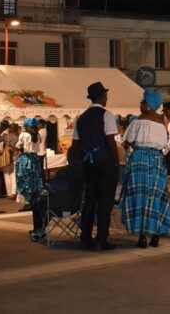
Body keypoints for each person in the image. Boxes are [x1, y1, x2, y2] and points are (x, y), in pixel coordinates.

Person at [119, 90, 170, 248]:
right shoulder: (160, 122)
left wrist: (135, 145)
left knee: (140, 197)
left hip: (140, 161)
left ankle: (142, 236)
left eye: (143, 102)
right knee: (155, 196)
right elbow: (163, 144)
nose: (140, 104)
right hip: (157, 161)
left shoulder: (139, 121)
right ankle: (155, 235)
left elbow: (127, 140)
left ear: (149, 105)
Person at [72, 81, 120, 251]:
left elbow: (75, 144)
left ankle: (85, 238)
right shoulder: (107, 115)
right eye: (106, 96)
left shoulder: (81, 118)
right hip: (104, 161)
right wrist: (116, 159)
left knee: (89, 201)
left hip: (88, 162)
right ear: (102, 97)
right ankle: (101, 239)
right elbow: (110, 140)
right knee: (105, 201)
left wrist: (83, 160)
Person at [0, 123, 20, 199]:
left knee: (6, 175)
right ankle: (13, 193)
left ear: (9, 129)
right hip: (15, 157)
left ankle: (8, 193)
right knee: (13, 175)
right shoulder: (18, 137)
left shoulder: (5, 136)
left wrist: (0, 151)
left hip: (5, 157)